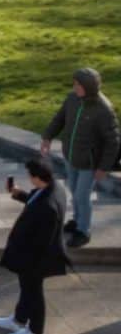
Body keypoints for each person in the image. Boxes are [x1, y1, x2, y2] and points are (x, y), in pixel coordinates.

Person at [40, 67, 116, 246]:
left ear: (88, 87)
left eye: (78, 85)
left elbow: (113, 141)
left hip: (90, 163)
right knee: (74, 191)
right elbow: (60, 118)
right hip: (71, 156)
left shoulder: (103, 109)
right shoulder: (72, 99)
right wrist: (47, 136)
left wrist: (104, 167)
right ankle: (76, 221)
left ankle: (84, 230)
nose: (74, 87)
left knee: (82, 196)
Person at [0, 158, 68, 334]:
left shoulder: (48, 206)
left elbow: (42, 238)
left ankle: (35, 333)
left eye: (30, 175)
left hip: (36, 258)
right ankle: (19, 320)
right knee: (27, 288)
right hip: (32, 255)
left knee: (34, 292)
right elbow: (34, 200)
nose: (28, 178)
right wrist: (19, 194)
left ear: (36, 177)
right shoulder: (51, 188)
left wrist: (26, 259)